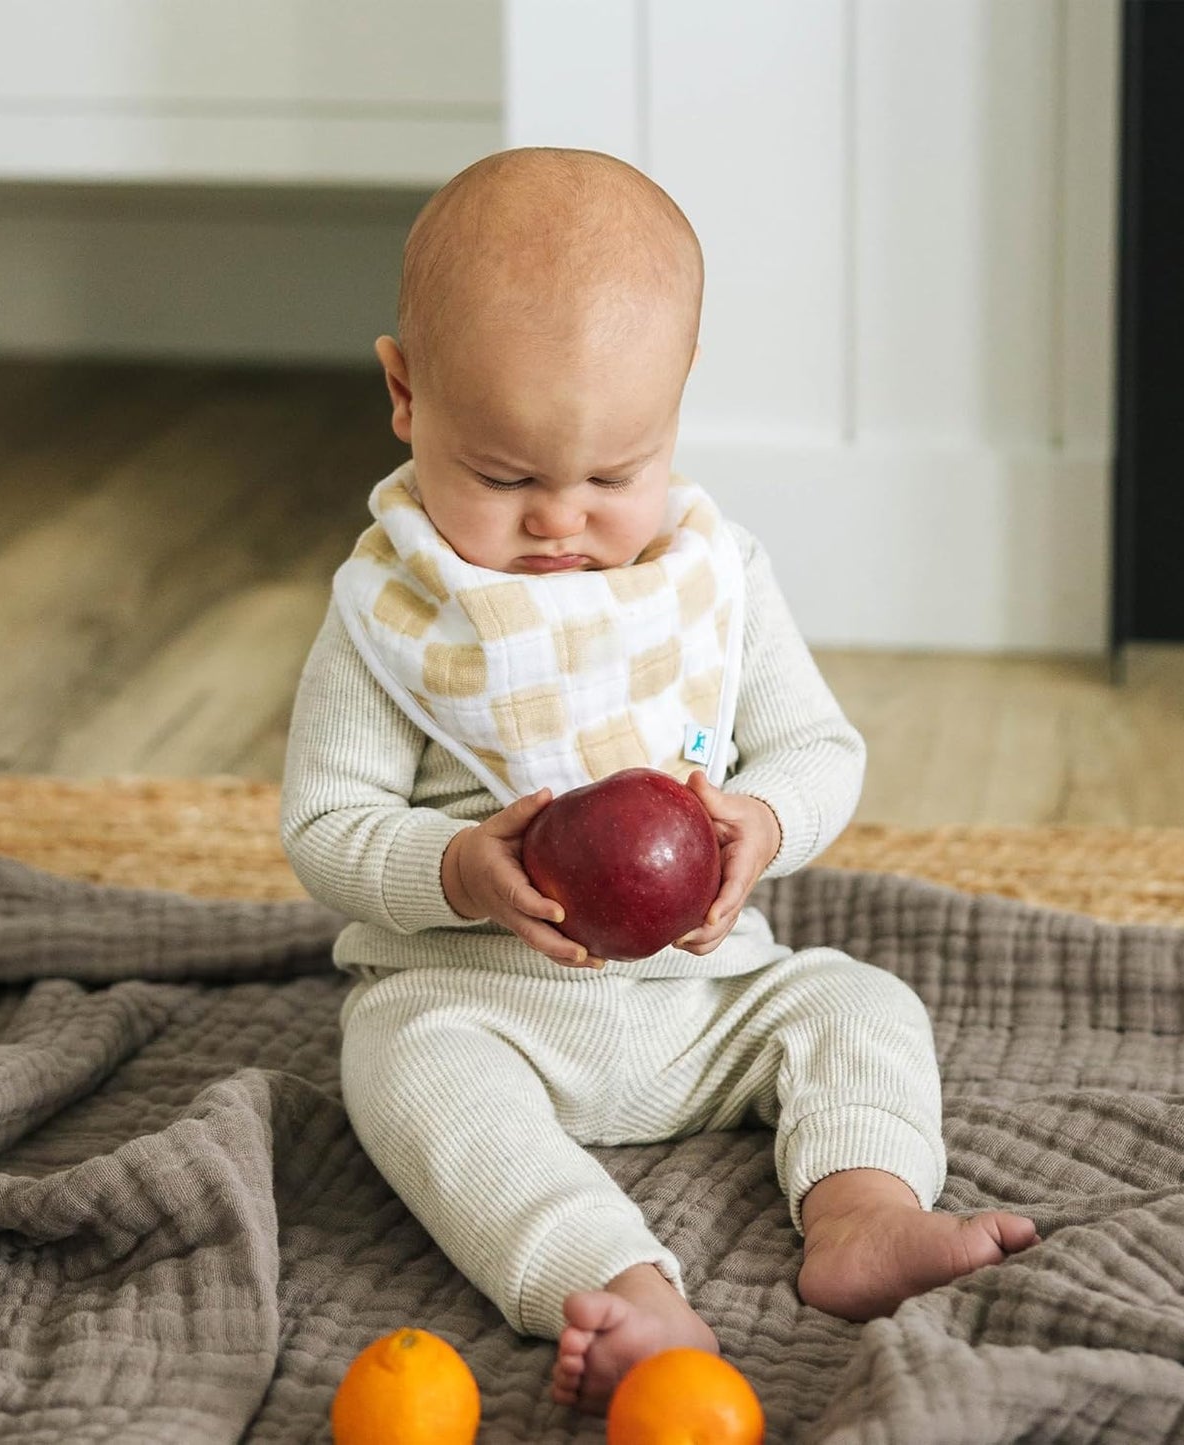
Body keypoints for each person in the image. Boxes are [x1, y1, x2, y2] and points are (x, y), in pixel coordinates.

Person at [282, 147, 1037, 1414]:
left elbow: (818, 751)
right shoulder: (396, 611)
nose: (561, 524)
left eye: (613, 474)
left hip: (709, 997)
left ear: (676, 405)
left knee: (856, 1003)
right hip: (478, 1005)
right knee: (400, 1076)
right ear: (406, 395)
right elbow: (323, 824)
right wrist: (456, 868)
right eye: (506, 477)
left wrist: (757, 819)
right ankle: (622, 1280)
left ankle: (861, 1209)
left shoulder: (712, 575)